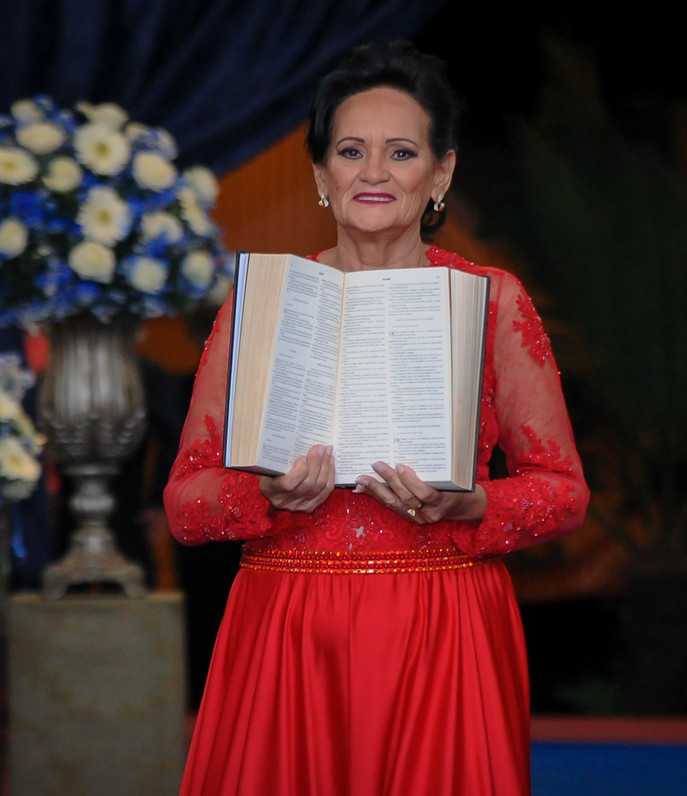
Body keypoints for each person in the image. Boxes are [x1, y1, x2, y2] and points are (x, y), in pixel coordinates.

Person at [164, 41, 589, 796]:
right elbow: (185, 504)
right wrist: (264, 495)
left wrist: (475, 502)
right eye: (351, 151)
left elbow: (563, 490)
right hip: (287, 628)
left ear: (441, 172)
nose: (374, 171)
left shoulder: (492, 301)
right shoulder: (260, 308)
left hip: (443, 624)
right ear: (321, 175)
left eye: (401, 151)